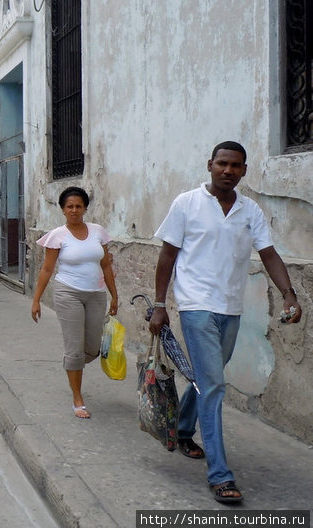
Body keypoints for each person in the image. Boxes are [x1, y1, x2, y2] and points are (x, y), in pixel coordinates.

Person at [149, 141, 302, 504]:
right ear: (210, 165)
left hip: (231, 308)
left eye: (235, 165)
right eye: (222, 164)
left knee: (207, 377)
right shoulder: (186, 203)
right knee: (215, 385)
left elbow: (268, 254)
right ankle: (220, 474)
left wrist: (289, 294)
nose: (228, 170)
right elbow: (167, 256)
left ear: (244, 170)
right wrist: (159, 304)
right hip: (195, 305)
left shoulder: (251, 211)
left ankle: (183, 429)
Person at [31, 186, 119, 419]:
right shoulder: (58, 235)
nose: (74, 210)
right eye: (69, 206)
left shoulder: (98, 232)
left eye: (78, 206)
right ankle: (77, 398)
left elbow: (106, 265)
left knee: (91, 347)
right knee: (74, 347)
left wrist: (114, 295)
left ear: (85, 208)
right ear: (62, 209)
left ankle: (73, 361)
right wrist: (36, 300)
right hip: (68, 293)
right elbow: (47, 269)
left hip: (96, 294)